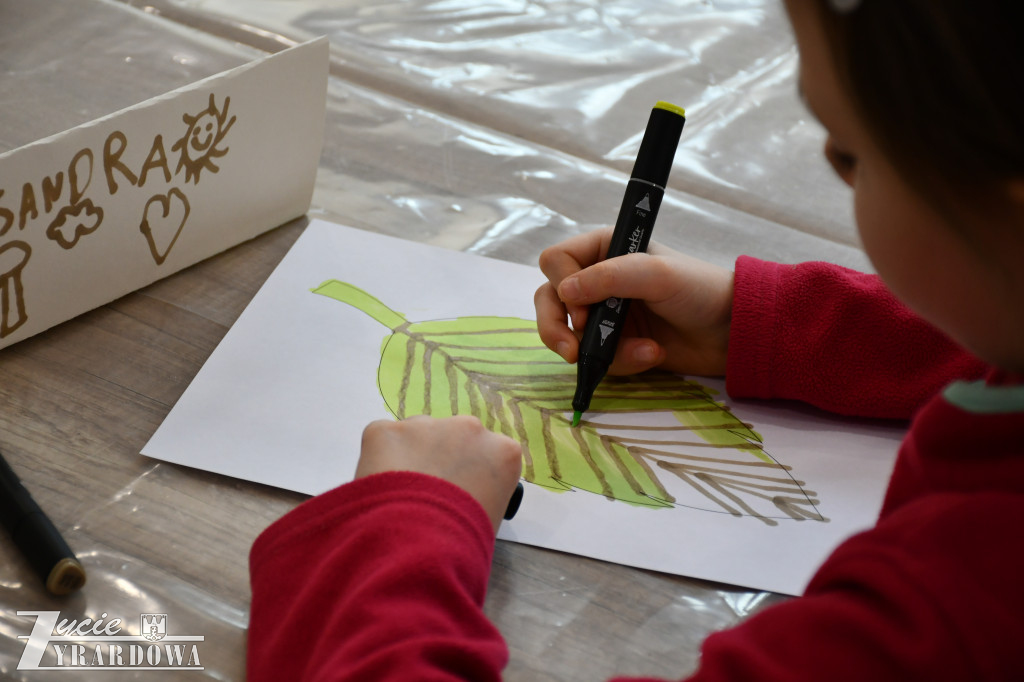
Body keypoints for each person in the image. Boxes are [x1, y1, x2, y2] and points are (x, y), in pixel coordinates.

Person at [246, 0, 1024, 679]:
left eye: (850, 153)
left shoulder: (956, 610)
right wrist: (755, 325)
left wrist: (397, 530)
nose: (834, 163)